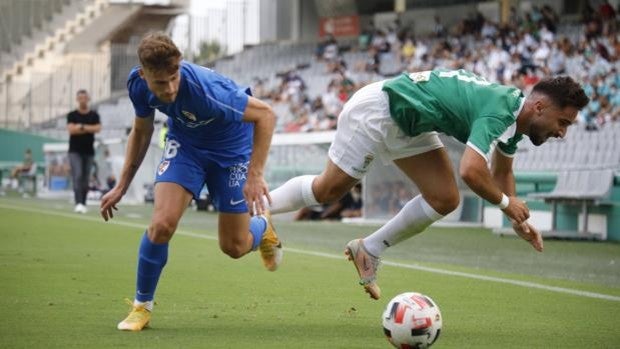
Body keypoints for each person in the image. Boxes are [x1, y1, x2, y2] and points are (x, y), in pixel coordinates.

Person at [267, 69, 589, 300]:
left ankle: (369, 249)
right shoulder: (501, 112)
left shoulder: (516, 121)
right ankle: (258, 207)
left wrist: (518, 218)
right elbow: (472, 171)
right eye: (563, 122)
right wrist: (507, 204)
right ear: (540, 108)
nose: (563, 132)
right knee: (329, 190)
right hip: (381, 109)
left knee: (445, 198)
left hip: (412, 123)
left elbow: (502, 172)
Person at [99, 32, 282, 331]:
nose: (170, 89)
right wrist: (121, 185)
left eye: (174, 77)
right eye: (161, 82)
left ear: (180, 67)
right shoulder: (137, 86)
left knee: (234, 247)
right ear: (144, 76)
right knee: (161, 224)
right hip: (187, 147)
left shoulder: (208, 90)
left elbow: (266, 115)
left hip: (231, 151)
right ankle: (141, 307)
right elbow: (142, 131)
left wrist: (255, 174)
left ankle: (263, 227)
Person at [67, 89, 101, 213]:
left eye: (84, 98)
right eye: (80, 98)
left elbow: (97, 128)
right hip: (74, 151)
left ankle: (84, 203)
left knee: (86, 178)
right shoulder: (72, 115)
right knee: (78, 175)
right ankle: (78, 203)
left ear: (88, 99)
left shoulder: (94, 115)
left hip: (89, 151)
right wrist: (88, 129)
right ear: (77, 99)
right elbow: (71, 130)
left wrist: (81, 126)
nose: (82, 100)